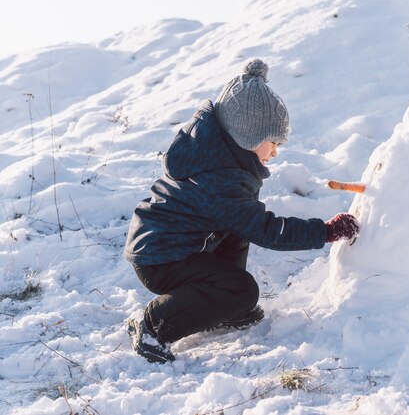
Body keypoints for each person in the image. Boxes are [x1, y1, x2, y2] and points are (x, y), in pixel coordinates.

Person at [124, 59, 360, 363]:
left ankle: (223, 307)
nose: (275, 151)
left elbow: (245, 222)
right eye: (272, 142)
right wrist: (325, 232)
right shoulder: (218, 178)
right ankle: (151, 325)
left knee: (236, 234)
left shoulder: (219, 158)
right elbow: (265, 229)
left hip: (175, 245)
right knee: (243, 290)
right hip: (161, 258)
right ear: (247, 136)